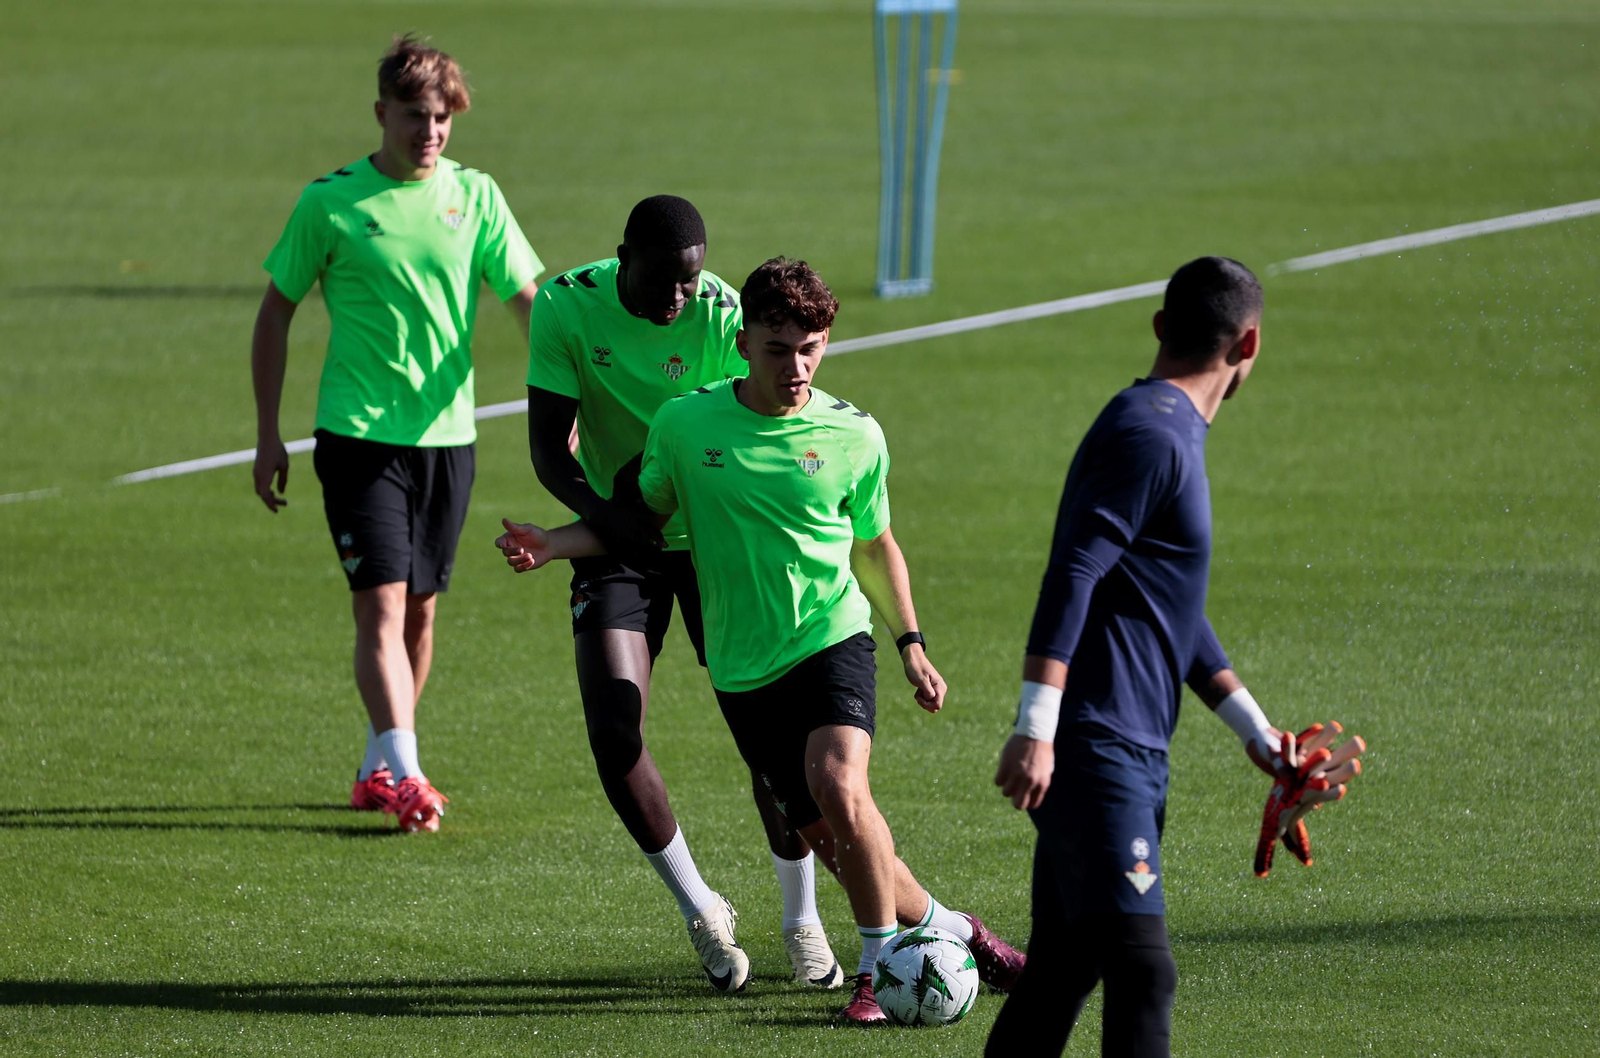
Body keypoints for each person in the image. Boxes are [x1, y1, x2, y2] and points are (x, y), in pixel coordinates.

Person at [498, 257, 1025, 1023]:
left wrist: (909, 639)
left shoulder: (855, 433)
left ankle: (874, 976)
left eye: (811, 348)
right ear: (743, 343)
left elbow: (874, 545)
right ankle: (957, 931)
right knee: (839, 846)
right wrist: (553, 542)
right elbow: (641, 525)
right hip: (745, 669)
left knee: (840, 783)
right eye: (779, 349)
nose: (797, 367)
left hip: (831, 635)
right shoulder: (685, 425)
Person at [986, 258, 1351, 1055]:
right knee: (1142, 970)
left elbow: (1165, 602)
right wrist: (1037, 726)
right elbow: (1076, 569)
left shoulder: (1164, 426)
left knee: (1064, 966)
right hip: (1095, 747)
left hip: (1125, 746)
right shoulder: (1151, 433)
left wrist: (1258, 734)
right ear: (1249, 341)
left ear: (1160, 326)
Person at [523, 198, 840, 993]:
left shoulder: (724, 314)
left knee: (771, 742)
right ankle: (703, 911)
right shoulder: (565, 306)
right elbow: (549, 452)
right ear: (622, 256)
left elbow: (755, 425)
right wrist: (611, 522)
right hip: (618, 539)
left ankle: (802, 920)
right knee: (613, 725)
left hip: (712, 541)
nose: (677, 298)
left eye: (690, 283)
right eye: (663, 281)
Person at [251, 34, 542, 832]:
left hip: (448, 439)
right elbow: (275, 309)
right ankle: (409, 775)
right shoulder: (331, 202)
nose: (431, 132)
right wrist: (268, 432)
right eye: (415, 116)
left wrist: (572, 402)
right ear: (381, 112)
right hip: (356, 436)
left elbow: (527, 304)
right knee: (379, 607)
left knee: (420, 613)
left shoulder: (476, 196)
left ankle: (380, 762)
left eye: (443, 117)